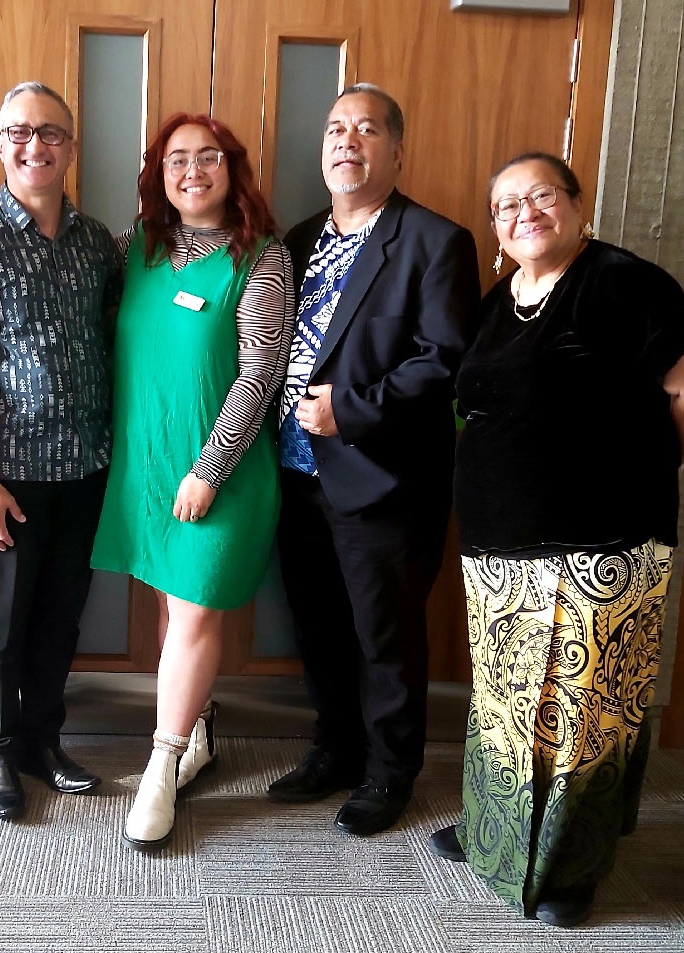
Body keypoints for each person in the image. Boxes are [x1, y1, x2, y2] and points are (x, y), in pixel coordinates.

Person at [427, 151, 684, 927]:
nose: (524, 213)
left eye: (542, 196)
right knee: (504, 703)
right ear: (496, 229)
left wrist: (632, 467)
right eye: (506, 205)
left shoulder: (624, 282)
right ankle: (494, 832)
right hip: (500, 550)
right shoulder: (500, 301)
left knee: (582, 710)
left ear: (575, 205)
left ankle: (568, 870)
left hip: (601, 547)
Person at [268, 83, 481, 836]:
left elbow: (445, 359)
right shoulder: (296, 241)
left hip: (385, 480)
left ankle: (391, 773)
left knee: (384, 636)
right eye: (334, 128)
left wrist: (348, 410)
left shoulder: (434, 240)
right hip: (293, 475)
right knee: (317, 627)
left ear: (397, 149)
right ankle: (335, 748)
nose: (345, 140)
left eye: (364, 129)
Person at [90, 113, 295, 851]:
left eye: (209, 156)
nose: (193, 169)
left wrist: (209, 469)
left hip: (221, 471)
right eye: (177, 158)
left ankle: (162, 760)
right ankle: (196, 733)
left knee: (198, 608)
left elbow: (261, 372)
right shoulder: (130, 250)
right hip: (144, 468)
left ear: (232, 170)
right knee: (174, 607)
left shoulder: (261, 257)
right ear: (158, 173)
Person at [0, 82, 121, 821]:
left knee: (60, 620)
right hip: (5, 479)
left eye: (48, 133)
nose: (32, 145)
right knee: (1, 631)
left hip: (84, 470)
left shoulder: (97, 241)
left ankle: (43, 742)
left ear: (70, 146)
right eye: (17, 132)